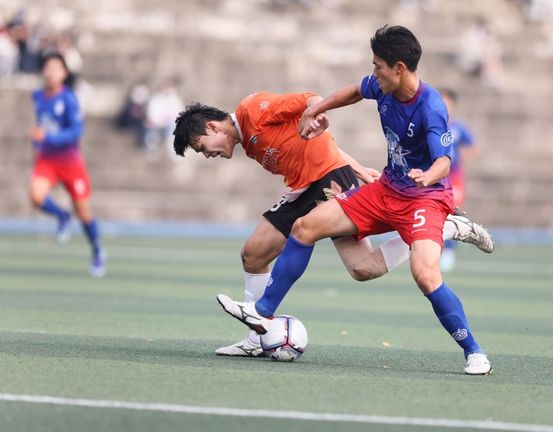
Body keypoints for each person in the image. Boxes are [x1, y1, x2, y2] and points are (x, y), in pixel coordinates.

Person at [216, 25, 492, 374]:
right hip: (386, 190)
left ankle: (474, 351)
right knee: (305, 228)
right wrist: (316, 110)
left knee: (425, 275)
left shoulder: (431, 108)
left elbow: (443, 161)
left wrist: (428, 176)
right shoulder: (382, 85)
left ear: (400, 69)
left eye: (378, 66)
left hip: (425, 199)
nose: (373, 72)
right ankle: (263, 311)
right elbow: (353, 92)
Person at [173, 92, 494, 358]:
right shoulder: (248, 141)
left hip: (325, 182)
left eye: (202, 147)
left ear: (213, 127)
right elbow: (325, 145)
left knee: (282, 254)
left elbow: (310, 99)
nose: (206, 155)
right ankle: (258, 337)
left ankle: (259, 323)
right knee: (348, 267)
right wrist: (356, 167)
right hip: (312, 185)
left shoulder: (251, 110)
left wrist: (318, 117)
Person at [28, 51, 106, 277]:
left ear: (64, 73)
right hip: (47, 159)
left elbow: (75, 133)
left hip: (70, 161)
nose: (51, 72)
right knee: (35, 196)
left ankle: (97, 250)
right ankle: (62, 216)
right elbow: (41, 124)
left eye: (56, 68)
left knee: (83, 212)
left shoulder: (69, 98)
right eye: (47, 67)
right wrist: (37, 146)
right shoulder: (38, 96)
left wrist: (47, 138)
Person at [438, 88, 480, 272]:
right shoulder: (430, 125)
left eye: (447, 102)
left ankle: (449, 251)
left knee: (451, 212)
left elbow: (474, 148)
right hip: (434, 178)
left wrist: (459, 156)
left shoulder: (457, 128)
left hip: (453, 179)